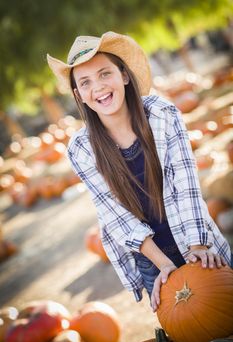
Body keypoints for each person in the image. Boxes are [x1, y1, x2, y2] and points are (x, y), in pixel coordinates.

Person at [47, 31, 232, 312]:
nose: (97, 87)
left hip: (193, 235)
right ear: (79, 95)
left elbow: (186, 184)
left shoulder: (161, 114)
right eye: (85, 82)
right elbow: (114, 213)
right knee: (187, 329)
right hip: (150, 258)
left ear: (124, 75)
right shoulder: (81, 149)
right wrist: (163, 265)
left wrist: (197, 248)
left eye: (104, 74)